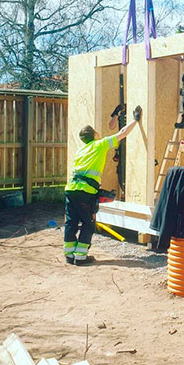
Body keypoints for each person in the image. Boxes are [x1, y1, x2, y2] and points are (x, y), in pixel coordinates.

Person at [63, 106, 142, 265]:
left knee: (71, 222)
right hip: (85, 192)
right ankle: (80, 257)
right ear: (94, 135)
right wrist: (135, 120)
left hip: (71, 190)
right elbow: (122, 133)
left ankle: (69, 255)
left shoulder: (81, 150)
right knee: (88, 223)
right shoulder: (100, 144)